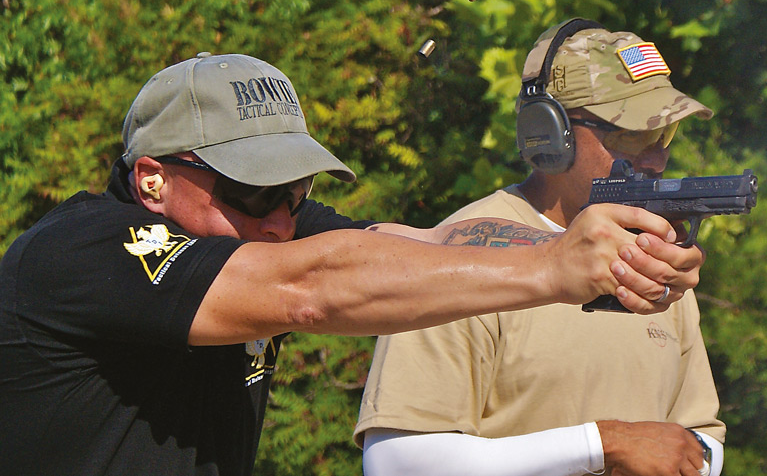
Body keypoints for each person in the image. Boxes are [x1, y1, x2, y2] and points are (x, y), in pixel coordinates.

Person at [0, 52, 703, 476]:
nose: (282, 217)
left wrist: (592, 243)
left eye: (296, 190)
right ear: (153, 179)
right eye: (253, 189)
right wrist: (553, 264)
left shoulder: (262, 228)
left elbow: (423, 245)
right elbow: (310, 288)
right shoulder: (85, 249)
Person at [355, 19, 725, 476]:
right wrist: (603, 444)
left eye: (664, 135)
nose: (656, 158)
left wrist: (693, 458)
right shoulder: (456, 257)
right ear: (550, 135)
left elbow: (701, 437)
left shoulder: (657, 262)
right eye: (631, 135)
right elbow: (395, 462)